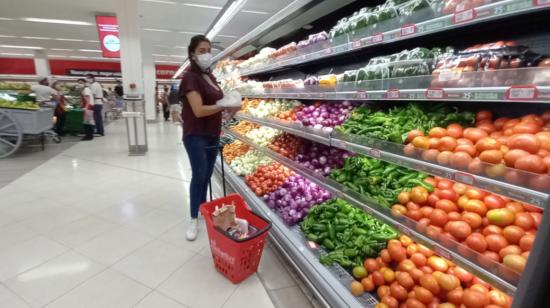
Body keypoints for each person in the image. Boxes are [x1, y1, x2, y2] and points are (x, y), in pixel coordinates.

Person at [179, 35, 238, 241]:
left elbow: (216, 110)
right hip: (196, 134)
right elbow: (198, 110)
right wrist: (222, 105)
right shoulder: (190, 78)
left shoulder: (210, 77)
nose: (206, 54)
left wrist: (230, 109)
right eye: (201, 51)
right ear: (192, 53)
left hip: (213, 133)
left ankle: (203, 209)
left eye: (208, 50)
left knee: (206, 175)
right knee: (199, 174)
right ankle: (193, 218)